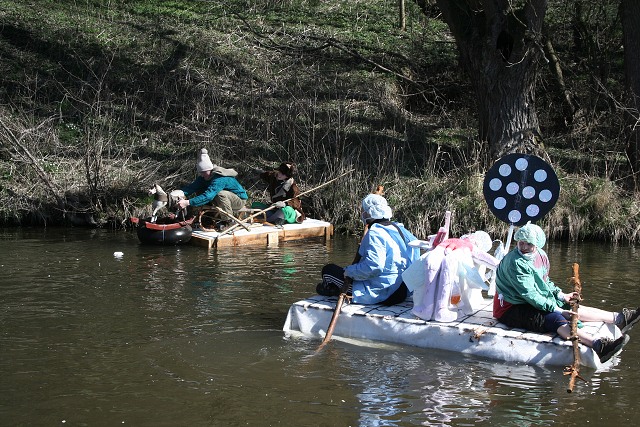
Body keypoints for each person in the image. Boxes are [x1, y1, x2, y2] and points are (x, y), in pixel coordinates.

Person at [493, 222, 640, 363]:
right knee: (553, 317)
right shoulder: (515, 263)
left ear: (537, 245)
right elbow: (530, 294)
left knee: (570, 306)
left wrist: (561, 295)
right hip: (510, 307)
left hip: (528, 299)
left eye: (528, 244)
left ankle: (620, 318)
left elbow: (544, 281)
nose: (524, 247)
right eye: (521, 243)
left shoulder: (540, 256)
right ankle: (597, 345)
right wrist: (558, 309)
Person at [316, 193, 420, 305]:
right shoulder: (399, 228)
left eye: (364, 211)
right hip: (402, 291)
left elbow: (374, 267)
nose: (362, 214)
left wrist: (349, 271)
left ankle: (331, 290)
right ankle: (335, 289)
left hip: (383, 293)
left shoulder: (376, 233)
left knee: (328, 271)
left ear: (369, 213)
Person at [177, 148, 248, 222]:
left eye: (204, 172)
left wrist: (187, 202)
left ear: (210, 170)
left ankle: (228, 221)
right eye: (201, 172)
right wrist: (179, 193)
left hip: (239, 200)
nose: (202, 175)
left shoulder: (219, 178)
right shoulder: (203, 177)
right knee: (200, 190)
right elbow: (191, 188)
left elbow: (208, 196)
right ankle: (209, 217)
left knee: (220, 194)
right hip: (224, 200)